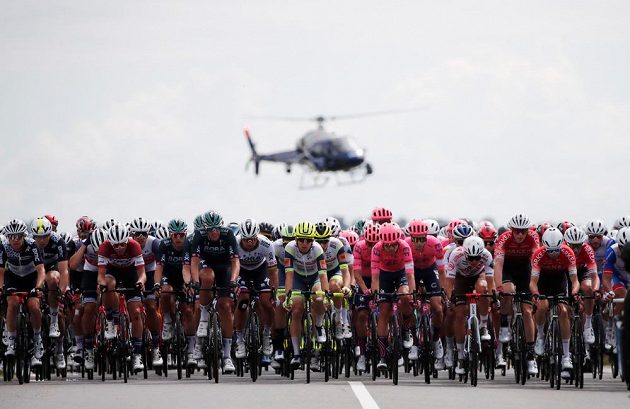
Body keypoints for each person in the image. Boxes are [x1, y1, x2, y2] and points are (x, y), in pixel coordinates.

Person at [186, 210, 240, 374]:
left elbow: (235, 261)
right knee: (206, 277)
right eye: (210, 229)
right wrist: (195, 282)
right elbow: (194, 263)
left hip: (224, 268)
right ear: (205, 229)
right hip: (206, 265)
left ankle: (227, 356)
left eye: (217, 228)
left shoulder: (228, 234)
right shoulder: (198, 235)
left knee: (225, 306)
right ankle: (203, 317)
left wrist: (233, 280)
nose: (214, 232)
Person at [493, 213, 540, 374]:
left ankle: (531, 354)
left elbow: (535, 263)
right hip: (508, 269)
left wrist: (534, 287)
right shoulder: (504, 238)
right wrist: (498, 287)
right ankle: (505, 324)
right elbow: (498, 265)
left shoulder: (533, 237)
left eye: (523, 231)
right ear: (511, 230)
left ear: (528, 230)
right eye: (516, 231)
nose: (520, 234)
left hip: (525, 271)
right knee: (508, 291)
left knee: (527, 311)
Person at [97, 223, 147, 371]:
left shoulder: (134, 246)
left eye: (122, 245)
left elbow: (142, 274)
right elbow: (100, 275)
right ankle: (111, 320)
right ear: (110, 243)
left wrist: (140, 282)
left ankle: (137, 355)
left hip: (131, 274)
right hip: (113, 272)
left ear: (128, 240)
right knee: (108, 284)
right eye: (116, 246)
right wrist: (102, 285)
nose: (119, 248)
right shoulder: (105, 247)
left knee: (136, 313)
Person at [530, 228, 579, 378]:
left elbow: (575, 281)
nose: (553, 254)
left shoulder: (567, 253)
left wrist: (574, 293)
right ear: (544, 247)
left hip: (559, 282)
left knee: (564, 311)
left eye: (556, 250)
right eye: (549, 251)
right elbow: (533, 282)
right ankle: (540, 336)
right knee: (542, 306)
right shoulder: (538, 254)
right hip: (543, 282)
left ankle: (566, 356)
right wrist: (537, 295)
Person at [0, 219, 46, 366]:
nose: (15, 240)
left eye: (18, 236)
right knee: (12, 302)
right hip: (13, 277)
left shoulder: (32, 245)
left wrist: (38, 287)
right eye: (11, 237)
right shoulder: (4, 246)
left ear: (24, 236)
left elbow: (41, 270)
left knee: (34, 305)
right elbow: (1, 272)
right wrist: (1, 288)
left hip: (31, 277)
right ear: (7, 237)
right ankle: (11, 340)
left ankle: (38, 339)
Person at [283, 222, 329, 369]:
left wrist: (326, 295)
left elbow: (323, 276)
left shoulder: (317, 249)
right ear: (296, 240)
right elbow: (289, 275)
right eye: (301, 239)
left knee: (319, 299)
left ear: (313, 241)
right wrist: (288, 296)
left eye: (308, 240)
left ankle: (319, 325)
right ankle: (296, 354)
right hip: (298, 279)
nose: (304, 243)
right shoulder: (290, 248)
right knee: (296, 309)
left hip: (314, 278)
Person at [371, 222, 415, 370]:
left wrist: (412, 295)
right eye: (387, 245)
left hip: (401, 273)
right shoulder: (376, 249)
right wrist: (376, 295)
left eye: (393, 245)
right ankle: (383, 356)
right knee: (383, 311)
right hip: (384, 275)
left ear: (398, 241)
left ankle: (406, 329)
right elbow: (375, 277)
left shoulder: (405, 247)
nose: (390, 248)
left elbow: (410, 275)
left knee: (405, 296)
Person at [233, 219, 278, 364]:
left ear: (256, 236)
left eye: (252, 239)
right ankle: (239, 338)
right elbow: (232, 267)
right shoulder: (234, 243)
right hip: (242, 270)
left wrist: (274, 291)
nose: (249, 243)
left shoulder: (266, 244)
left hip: (260, 270)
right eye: (246, 240)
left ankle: (266, 335)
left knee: (266, 301)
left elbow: (272, 272)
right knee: (243, 299)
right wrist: (233, 284)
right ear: (242, 238)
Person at [405, 219, 446, 367]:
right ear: (411, 237)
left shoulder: (435, 243)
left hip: (430, 270)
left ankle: (436, 340)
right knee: (409, 304)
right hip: (412, 272)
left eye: (421, 239)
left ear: (426, 236)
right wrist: (411, 292)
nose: (418, 243)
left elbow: (442, 271)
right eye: (415, 239)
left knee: (437, 307)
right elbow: (408, 274)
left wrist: (444, 291)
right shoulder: (406, 245)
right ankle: (414, 343)